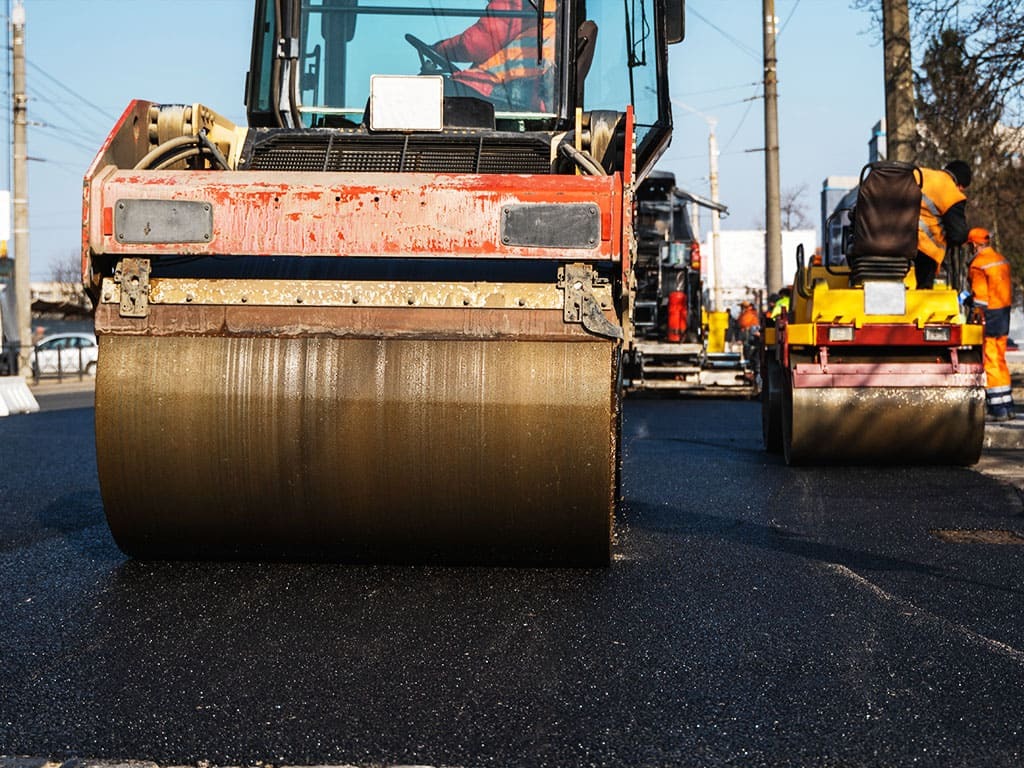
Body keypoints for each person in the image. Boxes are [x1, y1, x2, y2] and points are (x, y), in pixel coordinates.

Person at [433, 0, 555, 111]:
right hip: (535, 88)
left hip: (509, 87)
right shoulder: (550, 5)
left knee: (437, 91)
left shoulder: (517, 2)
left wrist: (438, 49)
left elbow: (474, 44)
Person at [966, 227, 1015, 421]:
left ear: (975, 244)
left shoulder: (979, 265)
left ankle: (997, 409)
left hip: (990, 315)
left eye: (970, 246)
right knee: (1000, 360)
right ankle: (1007, 405)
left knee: (991, 359)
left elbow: (980, 300)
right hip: (1003, 312)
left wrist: (968, 301)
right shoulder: (1000, 259)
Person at [915, 160, 971, 289]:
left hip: (882, 236)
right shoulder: (951, 192)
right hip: (922, 250)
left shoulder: (919, 173)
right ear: (960, 185)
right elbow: (958, 234)